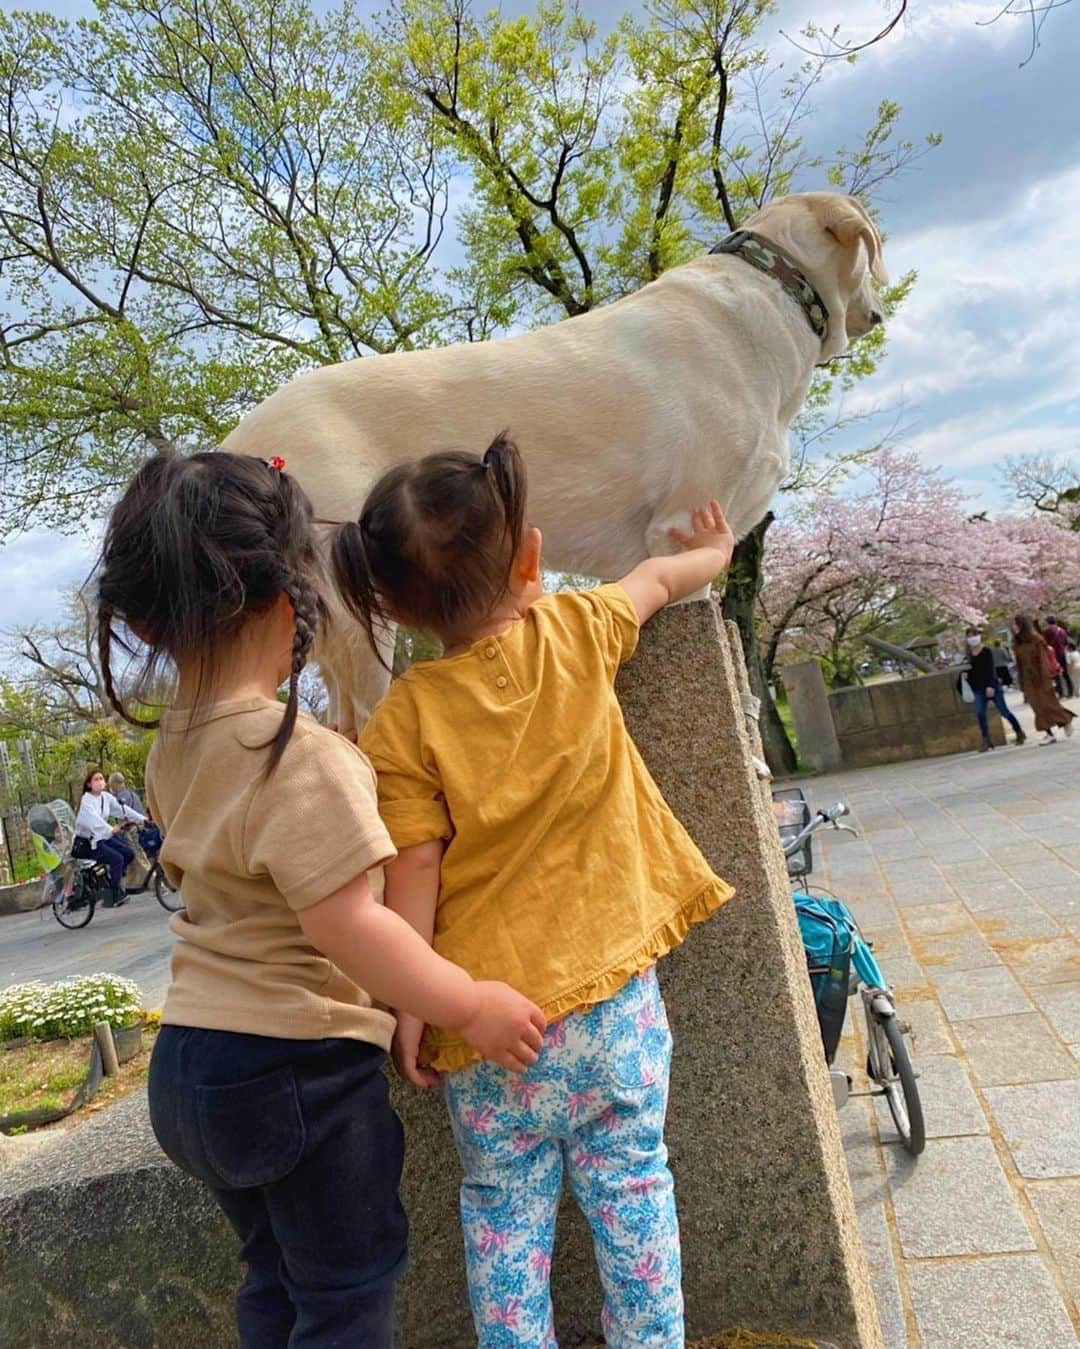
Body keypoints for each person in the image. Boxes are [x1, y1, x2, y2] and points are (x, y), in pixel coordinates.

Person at [93, 450, 546, 1349]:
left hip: (190, 1068)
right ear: (287, 592)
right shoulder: (303, 755)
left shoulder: (173, 745)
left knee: (274, 1274)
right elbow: (347, 923)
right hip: (293, 1070)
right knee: (345, 1292)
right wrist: (469, 1002)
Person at [335, 436, 737, 1347]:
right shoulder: (579, 630)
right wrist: (711, 551)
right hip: (613, 1007)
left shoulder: (404, 718)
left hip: (490, 1036)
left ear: (392, 603)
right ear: (529, 557)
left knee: (503, 1221)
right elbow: (658, 582)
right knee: (636, 1196)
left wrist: (411, 1006)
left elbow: (416, 870)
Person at [73, 767, 146, 906]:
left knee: (128, 854)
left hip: (102, 838)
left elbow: (122, 810)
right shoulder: (87, 800)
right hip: (88, 843)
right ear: (89, 784)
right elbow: (93, 821)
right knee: (117, 859)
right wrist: (111, 829)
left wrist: (142, 819)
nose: (100, 782)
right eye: (96, 779)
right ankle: (113, 895)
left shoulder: (106, 797)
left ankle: (114, 880)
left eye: (101, 779)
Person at [1013, 615, 1075, 745]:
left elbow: (1043, 661)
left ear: (1022, 625)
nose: (1013, 628)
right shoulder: (1017, 643)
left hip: (1041, 677)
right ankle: (1049, 733)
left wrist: (1047, 678)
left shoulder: (1037, 640)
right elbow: (1019, 664)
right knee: (1037, 707)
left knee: (1049, 705)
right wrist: (1022, 682)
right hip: (1027, 678)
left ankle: (1065, 719)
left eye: (1016, 625)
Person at [961, 627, 1025, 752]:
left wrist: (990, 686)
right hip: (978, 688)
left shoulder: (986, 651)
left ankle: (1018, 731)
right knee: (980, 713)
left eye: (974, 635)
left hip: (992, 686)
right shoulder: (968, 655)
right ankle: (986, 739)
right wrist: (966, 676)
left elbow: (990, 670)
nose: (972, 638)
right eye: (969, 636)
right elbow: (970, 671)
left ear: (979, 636)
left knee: (1004, 711)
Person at [1043, 615, 1074, 699]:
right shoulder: (1062, 631)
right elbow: (1066, 643)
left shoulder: (1047, 631)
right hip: (1062, 654)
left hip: (1052, 655)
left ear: (1047, 622)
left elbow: (1045, 644)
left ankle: (1061, 694)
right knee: (1065, 674)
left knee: (1056, 675)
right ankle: (1070, 692)